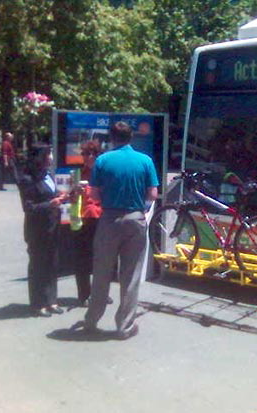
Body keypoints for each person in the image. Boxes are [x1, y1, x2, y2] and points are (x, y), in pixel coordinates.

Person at [73, 121, 158, 340]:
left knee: (101, 271)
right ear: (131, 137)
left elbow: (93, 194)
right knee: (130, 276)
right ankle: (124, 326)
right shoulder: (145, 161)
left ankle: (92, 321)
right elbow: (153, 194)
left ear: (112, 138)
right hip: (135, 220)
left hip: (109, 219)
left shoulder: (102, 160)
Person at [18, 145, 67, 317]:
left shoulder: (47, 175)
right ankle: (38, 304)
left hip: (52, 226)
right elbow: (29, 207)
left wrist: (66, 196)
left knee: (52, 264)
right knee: (38, 265)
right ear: (37, 157)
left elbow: (53, 194)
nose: (51, 157)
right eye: (47, 154)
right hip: (37, 229)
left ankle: (51, 300)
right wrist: (51, 204)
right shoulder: (27, 179)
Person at [70, 140, 108, 307]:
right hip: (83, 220)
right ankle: (84, 295)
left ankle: (101, 294)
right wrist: (74, 191)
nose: (88, 157)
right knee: (83, 259)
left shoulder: (105, 174)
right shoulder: (77, 174)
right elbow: (68, 198)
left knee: (102, 259)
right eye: (85, 154)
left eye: (92, 154)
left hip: (102, 218)